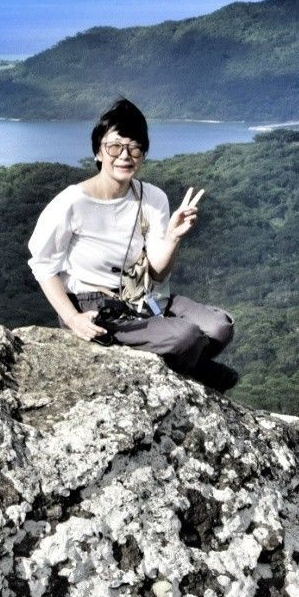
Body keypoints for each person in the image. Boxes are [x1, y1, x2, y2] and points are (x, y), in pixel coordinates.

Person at [27, 98, 236, 390]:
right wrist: (73, 319)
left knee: (219, 327)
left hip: (141, 296)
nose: (125, 156)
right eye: (115, 147)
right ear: (99, 152)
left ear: (144, 155)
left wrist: (173, 237)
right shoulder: (71, 203)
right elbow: (43, 265)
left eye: (135, 148)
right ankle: (199, 372)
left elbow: (158, 273)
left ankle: (188, 365)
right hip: (95, 305)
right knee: (186, 337)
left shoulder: (152, 198)